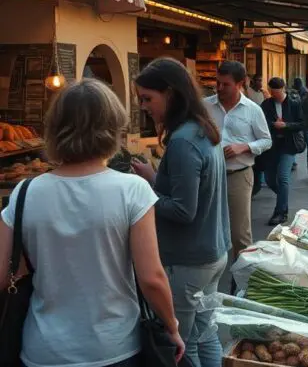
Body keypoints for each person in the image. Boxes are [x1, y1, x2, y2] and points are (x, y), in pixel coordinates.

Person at [0, 79, 184, 367]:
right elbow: (152, 278)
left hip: (42, 350)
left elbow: (3, 274)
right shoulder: (132, 190)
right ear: (112, 127)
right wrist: (171, 326)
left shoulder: (25, 192)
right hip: (114, 347)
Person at [132, 57, 230, 367]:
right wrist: (153, 176)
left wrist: (144, 192)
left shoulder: (183, 142)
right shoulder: (201, 130)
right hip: (211, 254)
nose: (144, 106)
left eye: (148, 98)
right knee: (204, 337)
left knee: (181, 347)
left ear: (171, 93)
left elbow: (184, 210)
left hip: (189, 261)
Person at [205, 61, 272, 259]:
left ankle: (240, 281)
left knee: (240, 233)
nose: (219, 88)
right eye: (217, 83)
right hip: (209, 175)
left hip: (238, 176)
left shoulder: (252, 109)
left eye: (225, 84)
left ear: (240, 83)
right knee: (208, 229)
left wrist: (244, 147)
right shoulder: (205, 106)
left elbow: (266, 140)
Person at [259, 77, 305, 224]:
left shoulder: (294, 103)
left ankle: (280, 212)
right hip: (271, 146)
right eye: (272, 92)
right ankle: (283, 199)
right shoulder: (266, 104)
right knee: (269, 178)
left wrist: (286, 125)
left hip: (288, 145)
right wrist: (274, 125)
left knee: (283, 177)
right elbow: (262, 122)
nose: (274, 95)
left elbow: (302, 123)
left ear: (283, 89)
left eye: (277, 92)